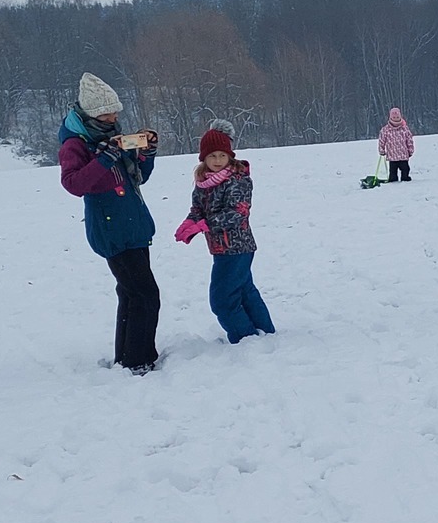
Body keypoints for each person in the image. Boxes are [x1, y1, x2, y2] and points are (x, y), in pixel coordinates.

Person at [58, 73, 161, 373]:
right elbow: (74, 184)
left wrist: (147, 152)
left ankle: (128, 357)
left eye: (115, 112)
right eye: (107, 113)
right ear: (92, 113)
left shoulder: (111, 136)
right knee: (146, 295)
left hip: (134, 224)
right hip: (112, 231)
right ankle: (138, 360)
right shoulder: (76, 144)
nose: (114, 117)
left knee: (130, 294)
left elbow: (137, 177)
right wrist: (105, 158)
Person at [175, 127, 275, 342]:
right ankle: (265, 334)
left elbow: (238, 212)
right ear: (204, 158)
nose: (218, 160)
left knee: (222, 300)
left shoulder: (237, 179)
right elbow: (198, 209)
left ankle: (245, 338)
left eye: (222, 155)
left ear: (230, 156)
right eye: (212, 156)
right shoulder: (203, 182)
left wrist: (205, 225)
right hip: (220, 248)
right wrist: (190, 221)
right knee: (244, 291)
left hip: (237, 248)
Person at [377, 107, 415, 182]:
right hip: (392, 155)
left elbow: (409, 140)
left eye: (397, 117)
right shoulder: (386, 129)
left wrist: (410, 150)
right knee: (393, 171)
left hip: (403, 154)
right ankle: (393, 179)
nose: (396, 119)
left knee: (405, 169)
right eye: (394, 117)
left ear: (400, 117)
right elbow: (382, 140)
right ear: (390, 117)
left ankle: (405, 178)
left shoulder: (404, 128)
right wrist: (381, 150)